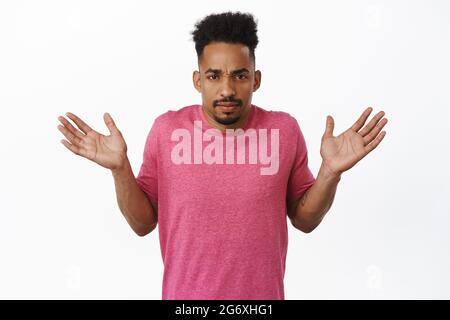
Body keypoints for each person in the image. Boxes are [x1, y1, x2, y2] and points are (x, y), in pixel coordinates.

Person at [57, 11, 388, 300]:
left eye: (239, 75)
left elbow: (304, 220)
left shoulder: (284, 131)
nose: (227, 89)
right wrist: (120, 169)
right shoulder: (166, 131)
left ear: (255, 80)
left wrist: (330, 172)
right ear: (198, 80)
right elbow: (143, 223)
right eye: (214, 76)